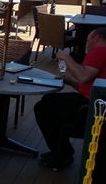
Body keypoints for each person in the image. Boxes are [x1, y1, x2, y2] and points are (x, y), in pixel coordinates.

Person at [34, 27, 106, 169]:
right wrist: (71, 82)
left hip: (91, 109)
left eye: (87, 41)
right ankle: (62, 151)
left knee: (42, 108)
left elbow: (84, 75)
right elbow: (89, 85)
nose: (86, 45)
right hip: (97, 103)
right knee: (48, 101)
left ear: (96, 38)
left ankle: (61, 155)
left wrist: (65, 57)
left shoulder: (101, 50)